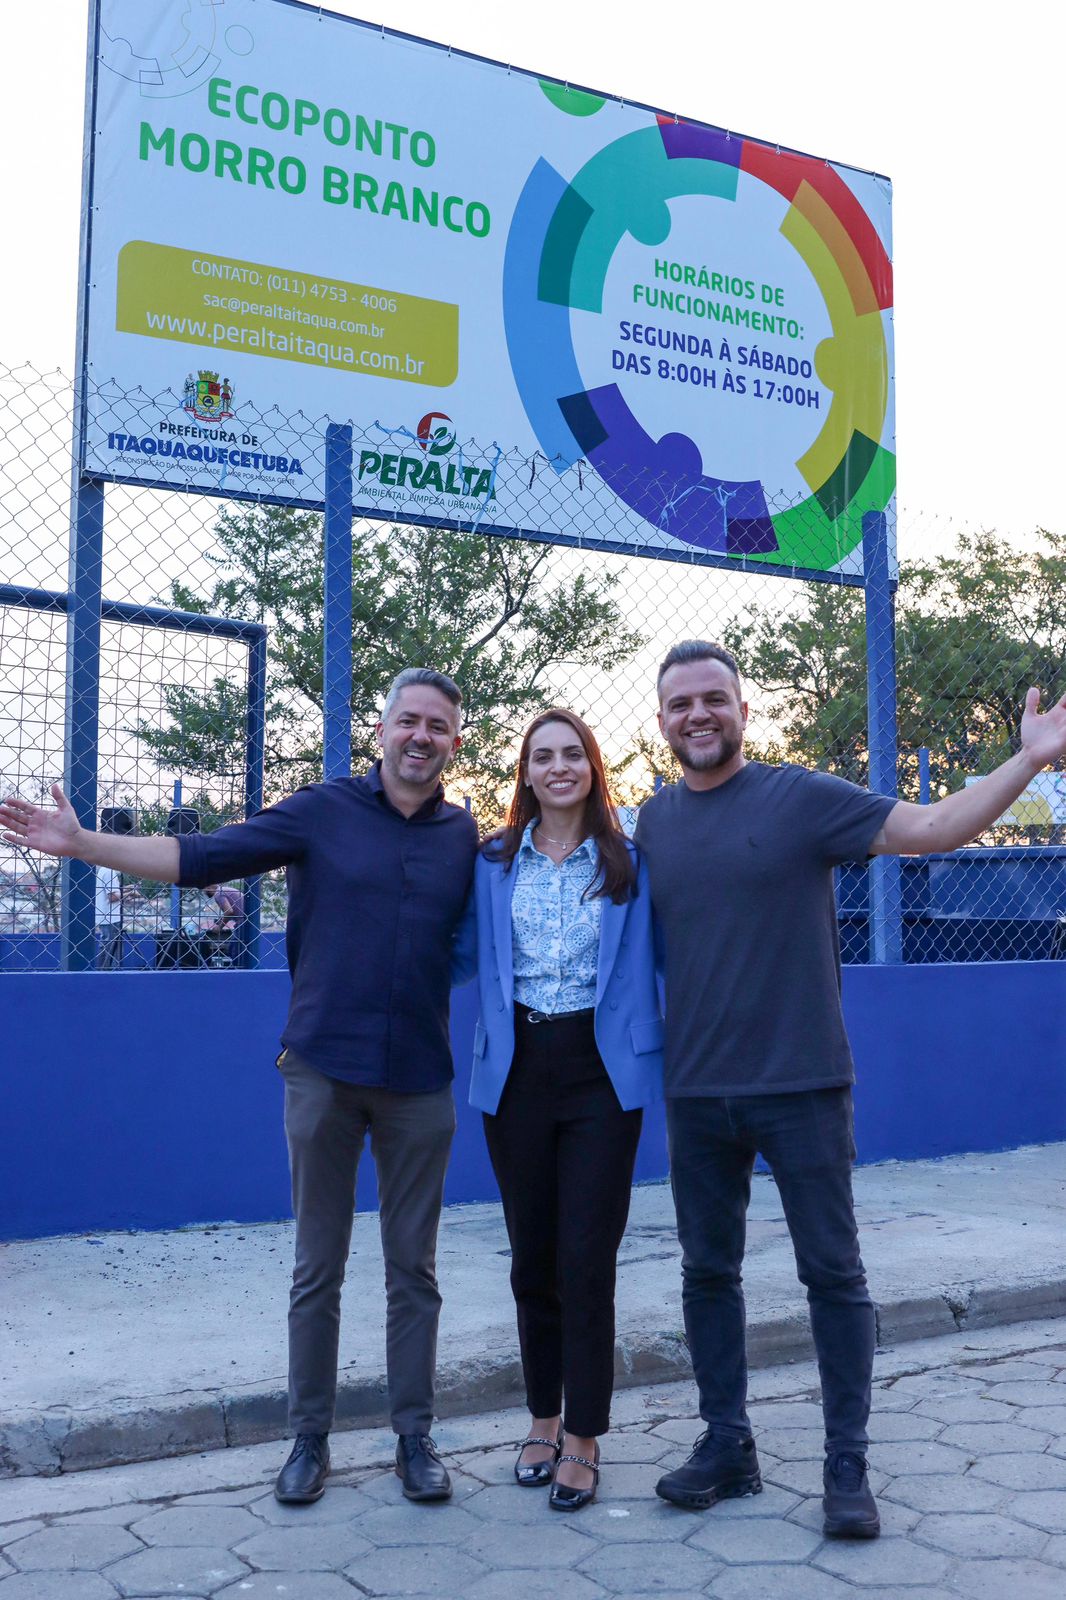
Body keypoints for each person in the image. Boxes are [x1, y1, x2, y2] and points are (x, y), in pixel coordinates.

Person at [0, 667, 478, 1507]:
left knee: (415, 1269)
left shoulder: (463, 834)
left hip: (419, 1082)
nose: (421, 737)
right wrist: (82, 844)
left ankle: (414, 1437)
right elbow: (203, 858)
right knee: (317, 1267)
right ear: (381, 731)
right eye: (408, 720)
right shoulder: (323, 811)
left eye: (438, 726)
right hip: (324, 1073)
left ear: (455, 743)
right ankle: (308, 1439)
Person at [635, 640, 1066, 1540]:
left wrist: (1027, 760)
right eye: (681, 703)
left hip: (802, 1082)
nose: (698, 715)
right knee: (707, 1272)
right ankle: (727, 1445)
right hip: (697, 1089)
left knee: (832, 1273)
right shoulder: (654, 821)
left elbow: (934, 828)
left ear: (743, 711)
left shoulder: (800, 799)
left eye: (714, 699)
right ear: (662, 719)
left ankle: (845, 1462)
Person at [470, 709, 663, 1511]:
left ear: (592, 768)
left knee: (587, 1260)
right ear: (525, 771)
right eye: (542, 756)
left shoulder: (630, 863)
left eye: (572, 755)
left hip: (600, 1073)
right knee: (532, 1260)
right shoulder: (491, 862)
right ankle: (542, 1421)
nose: (558, 767)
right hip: (515, 1069)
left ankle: (584, 1434)